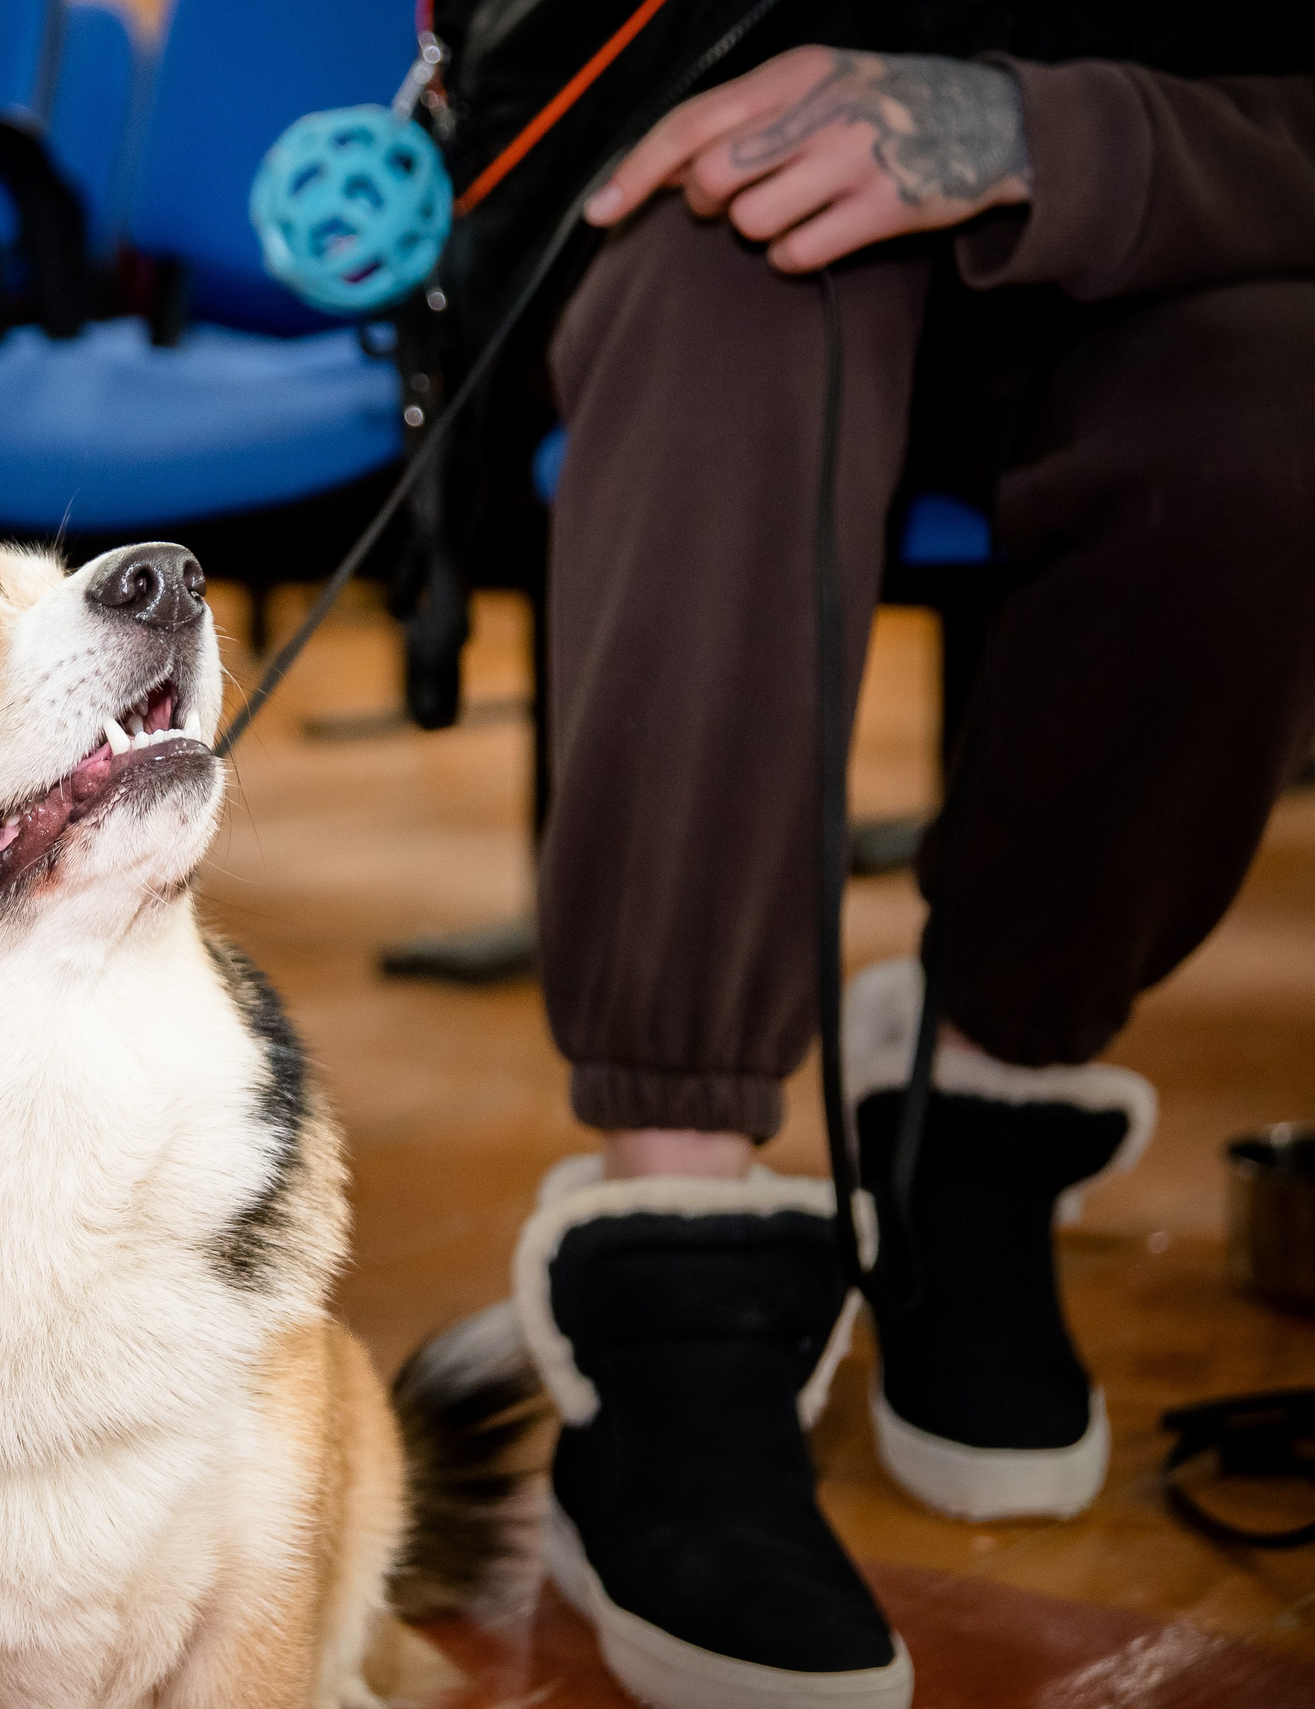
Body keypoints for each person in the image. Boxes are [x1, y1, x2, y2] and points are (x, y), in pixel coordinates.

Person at [507, 31, 1315, 1709]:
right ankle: (676, 1270)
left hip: (1159, 195)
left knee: (1277, 412)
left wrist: (1068, 134)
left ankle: (982, 1102)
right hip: (708, 203)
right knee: (746, 270)